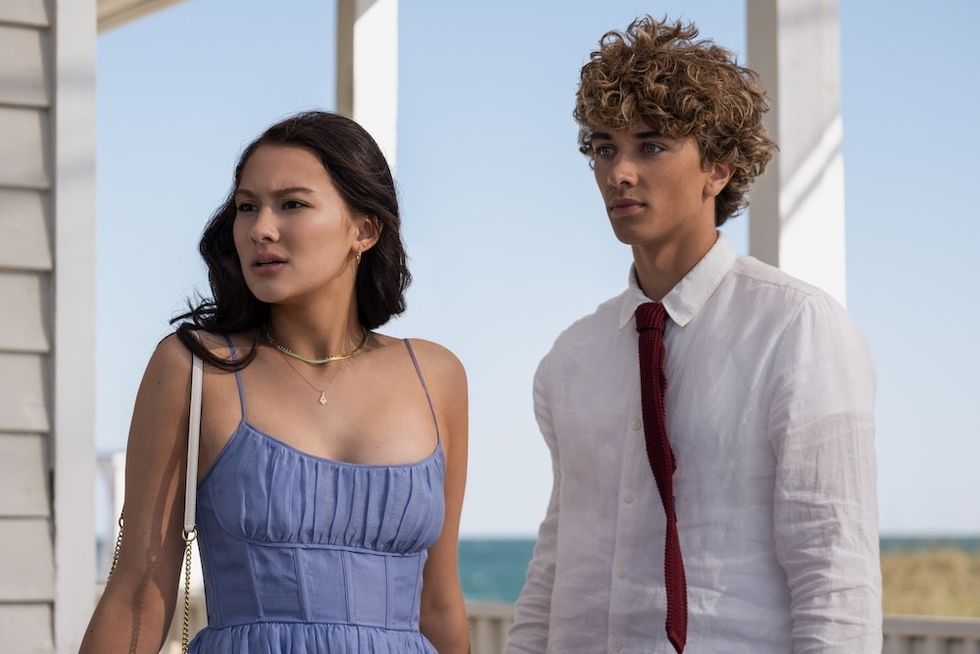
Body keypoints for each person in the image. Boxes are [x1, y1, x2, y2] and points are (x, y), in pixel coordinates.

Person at [507, 16, 881, 653]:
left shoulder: (796, 328)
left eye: (650, 145)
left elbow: (834, 572)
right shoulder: (572, 358)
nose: (618, 172)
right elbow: (557, 562)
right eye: (603, 147)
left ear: (718, 168)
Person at [80, 111, 470, 653]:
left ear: (365, 228)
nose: (261, 228)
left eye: (292, 204)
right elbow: (138, 594)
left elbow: (440, 602)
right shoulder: (193, 368)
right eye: (247, 207)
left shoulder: (436, 377)